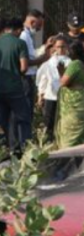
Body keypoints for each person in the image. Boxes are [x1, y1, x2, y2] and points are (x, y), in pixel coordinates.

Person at [55, 41, 84, 149]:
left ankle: (68, 152)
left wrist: (61, 72)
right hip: (83, 99)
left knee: (70, 131)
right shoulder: (83, 64)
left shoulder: (75, 64)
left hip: (75, 103)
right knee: (81, 130)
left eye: (69, 50)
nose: (67, 52)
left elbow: (63, 82)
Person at [0, 18, 31, 154]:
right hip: (14, 88)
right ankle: (25, 148)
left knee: (4, 119)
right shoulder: (20, 43)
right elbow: (24, 67)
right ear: (18, 30)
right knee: (23, 118)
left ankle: (9, 148)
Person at [36, 36, 71, 141]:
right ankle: (48, 141)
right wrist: (40, 94)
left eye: (63, 46)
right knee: (48, 121)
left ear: (66, 47)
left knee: (63, 121)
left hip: (65, 96)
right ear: (54, 47)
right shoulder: (49, 62)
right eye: (58, 47)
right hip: (50, 95)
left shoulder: (70, 62)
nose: (60, 49)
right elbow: (43, 79)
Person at [20, 10, 50, 113]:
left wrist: (45, 47)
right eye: (39, 25)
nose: (40, 29)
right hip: (25, 77)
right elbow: (25, 60)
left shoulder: (27, 35)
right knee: (26, 109)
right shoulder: (24, 36)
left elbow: (32, 55)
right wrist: (43, 58)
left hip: (28, 77)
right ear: (32, 22)